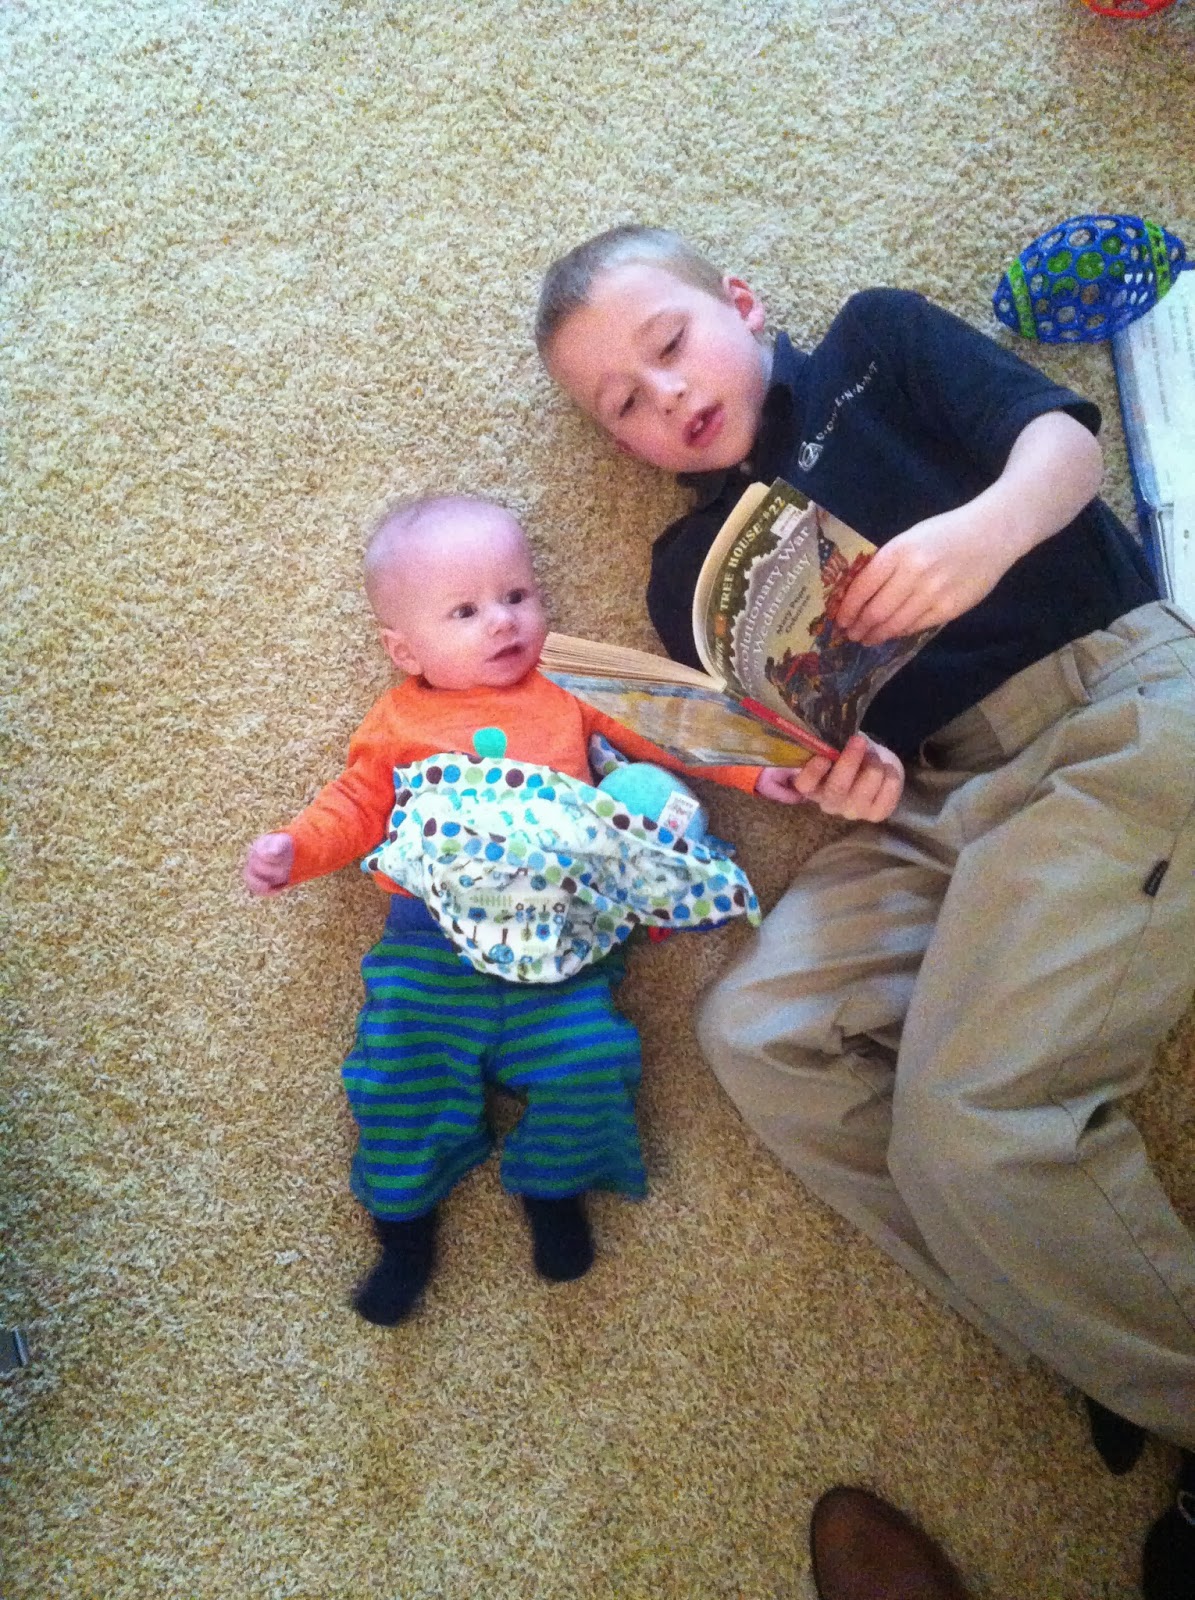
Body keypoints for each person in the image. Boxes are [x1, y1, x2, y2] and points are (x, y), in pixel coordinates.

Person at [536, 224, 1195, 1597]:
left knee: (966, 1124)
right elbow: (805, 739)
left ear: (740, 303)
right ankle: (1075, 1313)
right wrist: (834, 779)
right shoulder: (685, 574)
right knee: (756, 1033)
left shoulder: (872, 347)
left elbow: (1060, 448)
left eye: (670, 345)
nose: (665, 396)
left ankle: (1142, 1358)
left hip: (1106, 709)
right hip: (927, 795)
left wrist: (980, 534)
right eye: (623, 404)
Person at [243, 493, 807, 1327]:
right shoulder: (399, 719)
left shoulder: (565, 690)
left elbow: (669, 734)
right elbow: (357, 806)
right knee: (397, 1074)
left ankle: (554, 1187)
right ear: (405, 649)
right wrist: (295, 850)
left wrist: (756, 772)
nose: (503, 621)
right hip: (431, 944)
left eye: (516, 595)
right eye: (465, 611)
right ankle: (403, 1228)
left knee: (590, 1060)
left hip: (561, 941)